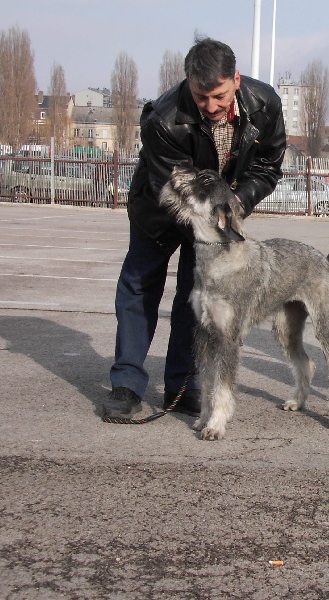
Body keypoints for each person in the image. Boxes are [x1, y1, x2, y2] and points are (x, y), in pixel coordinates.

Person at [103, 37, 286, 419]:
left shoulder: (264, 104)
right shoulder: (163, 119)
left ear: (235, 79)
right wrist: (216, 225)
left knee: (196, 294)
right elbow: (175, 190)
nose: (211, 106)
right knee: (139, 287)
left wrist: (236, 205)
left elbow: (267, 167)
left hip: (217, 215)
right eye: (201, 98)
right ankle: (126, 383)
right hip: (162, 210)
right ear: (187, 82)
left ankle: (182, 385)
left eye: (218, 95)